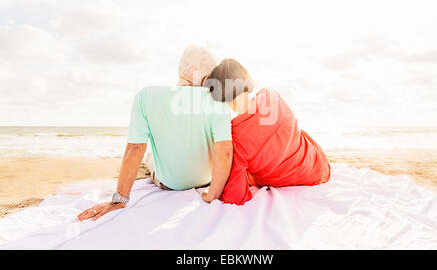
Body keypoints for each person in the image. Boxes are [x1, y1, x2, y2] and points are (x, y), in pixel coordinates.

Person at [77, 46, 234, 221]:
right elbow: (225, 152)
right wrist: (213, 195)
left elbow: (135, 148)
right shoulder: (218, 101)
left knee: (149, 157)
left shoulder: (145, 96)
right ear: (206, 78)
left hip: (170, 184)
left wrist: (118, 201)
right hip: (206, 180)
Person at [204, 58, 331, 205]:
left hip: (286, 177)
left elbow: (235, 195)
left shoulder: (236, 137)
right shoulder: (271, 95)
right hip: (316, 167)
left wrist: (212, 193)